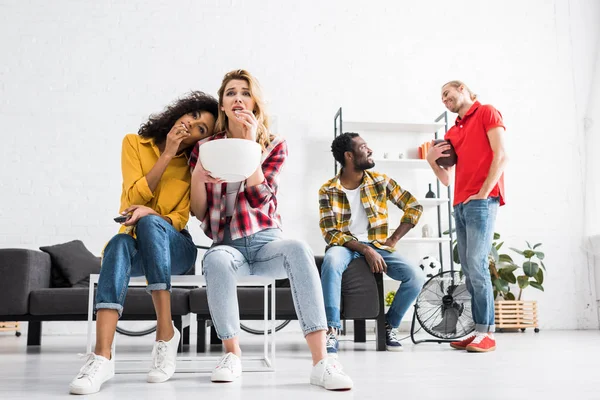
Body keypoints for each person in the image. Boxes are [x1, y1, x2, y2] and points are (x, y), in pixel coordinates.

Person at [189, 69, 353, 391]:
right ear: (222, 104)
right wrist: (197, 175)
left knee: (298, 248)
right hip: (226, 243)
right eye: (231, 93)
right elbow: (198, 212)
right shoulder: (206, 147)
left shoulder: (273, 144)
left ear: (255, 102)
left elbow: (260, 198)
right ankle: (232, 355)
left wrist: (250, 147)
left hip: (266, 242)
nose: (238, 98)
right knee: (215, 261)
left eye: (245, 92)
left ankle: (322, 362)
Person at [69, 91, 219, 395]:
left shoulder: (194, 166)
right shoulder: (134, 144)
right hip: (136, 243)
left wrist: (153, 214)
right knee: (117, 245)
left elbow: (179, 217)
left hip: (177, 247)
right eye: (193, 116)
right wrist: (166, 155)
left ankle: (165, 333)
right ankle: (102, 356)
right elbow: (131, 202)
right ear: (181, 112)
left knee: (151, 222)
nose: (192, 126)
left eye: (202, 129)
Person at [318, 132, 425, 353]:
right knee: (331, 262)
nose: (370, 150)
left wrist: (393, 239)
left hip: (378, 245)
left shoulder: (380, 181)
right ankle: (331, 330)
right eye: (364, 147)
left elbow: (414, 206)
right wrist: (365, 249)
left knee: (416, 276)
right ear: (349, 155)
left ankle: (389, 325)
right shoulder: (327, 189)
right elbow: (330, 233)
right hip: (345, 246)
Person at [427, 80, 507, 352]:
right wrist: (430, 160)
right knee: (469, 270)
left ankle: (488, 334)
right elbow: (446, 179)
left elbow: (502, 156)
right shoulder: (453, 131)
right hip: (460, 204)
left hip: (482, 201)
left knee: (477, 264)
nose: (444, 100)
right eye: (442, 98)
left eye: (447, 94)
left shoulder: (487, 112)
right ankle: (477, 332)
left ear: (462, 88)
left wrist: (484, 193)